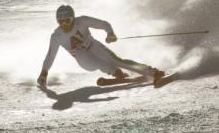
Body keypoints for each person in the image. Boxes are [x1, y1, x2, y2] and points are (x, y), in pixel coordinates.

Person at [37, 5, 165, 86]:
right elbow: (50, 56)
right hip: (83, 59)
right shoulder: (56, 36)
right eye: (60, 20)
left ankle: (152, 72)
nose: (64, 24)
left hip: (93, 46)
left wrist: (110, 33)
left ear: (73, 18)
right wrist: (44, 73)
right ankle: (115, 72)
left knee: (117, 60)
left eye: (67, 20)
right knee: (85, 55)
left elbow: (104, 24)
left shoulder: (82, 21)